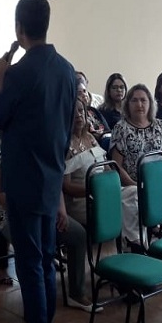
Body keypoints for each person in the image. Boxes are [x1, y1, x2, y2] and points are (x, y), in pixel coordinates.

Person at [0, 0, 77, 323]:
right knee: (44, 262)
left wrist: (1, 81)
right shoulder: (67, 70)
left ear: (19, 28)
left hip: (25, 180)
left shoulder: (22, 72)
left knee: (30, 265)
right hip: (50, 178)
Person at [0, 136, 94, 310]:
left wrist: (61, 209)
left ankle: (76, 292)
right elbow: (0, 196)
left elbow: (54, 180)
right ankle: (35, 309)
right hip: (11, 215)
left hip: (45, 208)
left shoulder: (38, 143)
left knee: (78, 235)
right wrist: (33, 208)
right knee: (32, 249)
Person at [63, 98, 139, 250]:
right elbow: (66, 186)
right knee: (123, 203)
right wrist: (95, 191)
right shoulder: (64, 144)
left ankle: (134, 241)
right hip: (83, 198)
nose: (78, 115)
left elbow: (106, 167)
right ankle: (130, 244)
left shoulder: (90, 138)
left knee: (134, 192)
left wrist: (113, 183)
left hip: (104, 191)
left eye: (81, 111)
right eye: (73, 112)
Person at [110, 83, 162, 238]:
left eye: (143, 100)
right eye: (134, 100)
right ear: (127, 104)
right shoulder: (121, 128)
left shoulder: (159, 126)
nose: (139, 104)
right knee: (144, 213)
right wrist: (136, 185)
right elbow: (116, 165)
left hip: (159, 187)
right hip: (133, 189)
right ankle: (141, 250)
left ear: (150, 103)